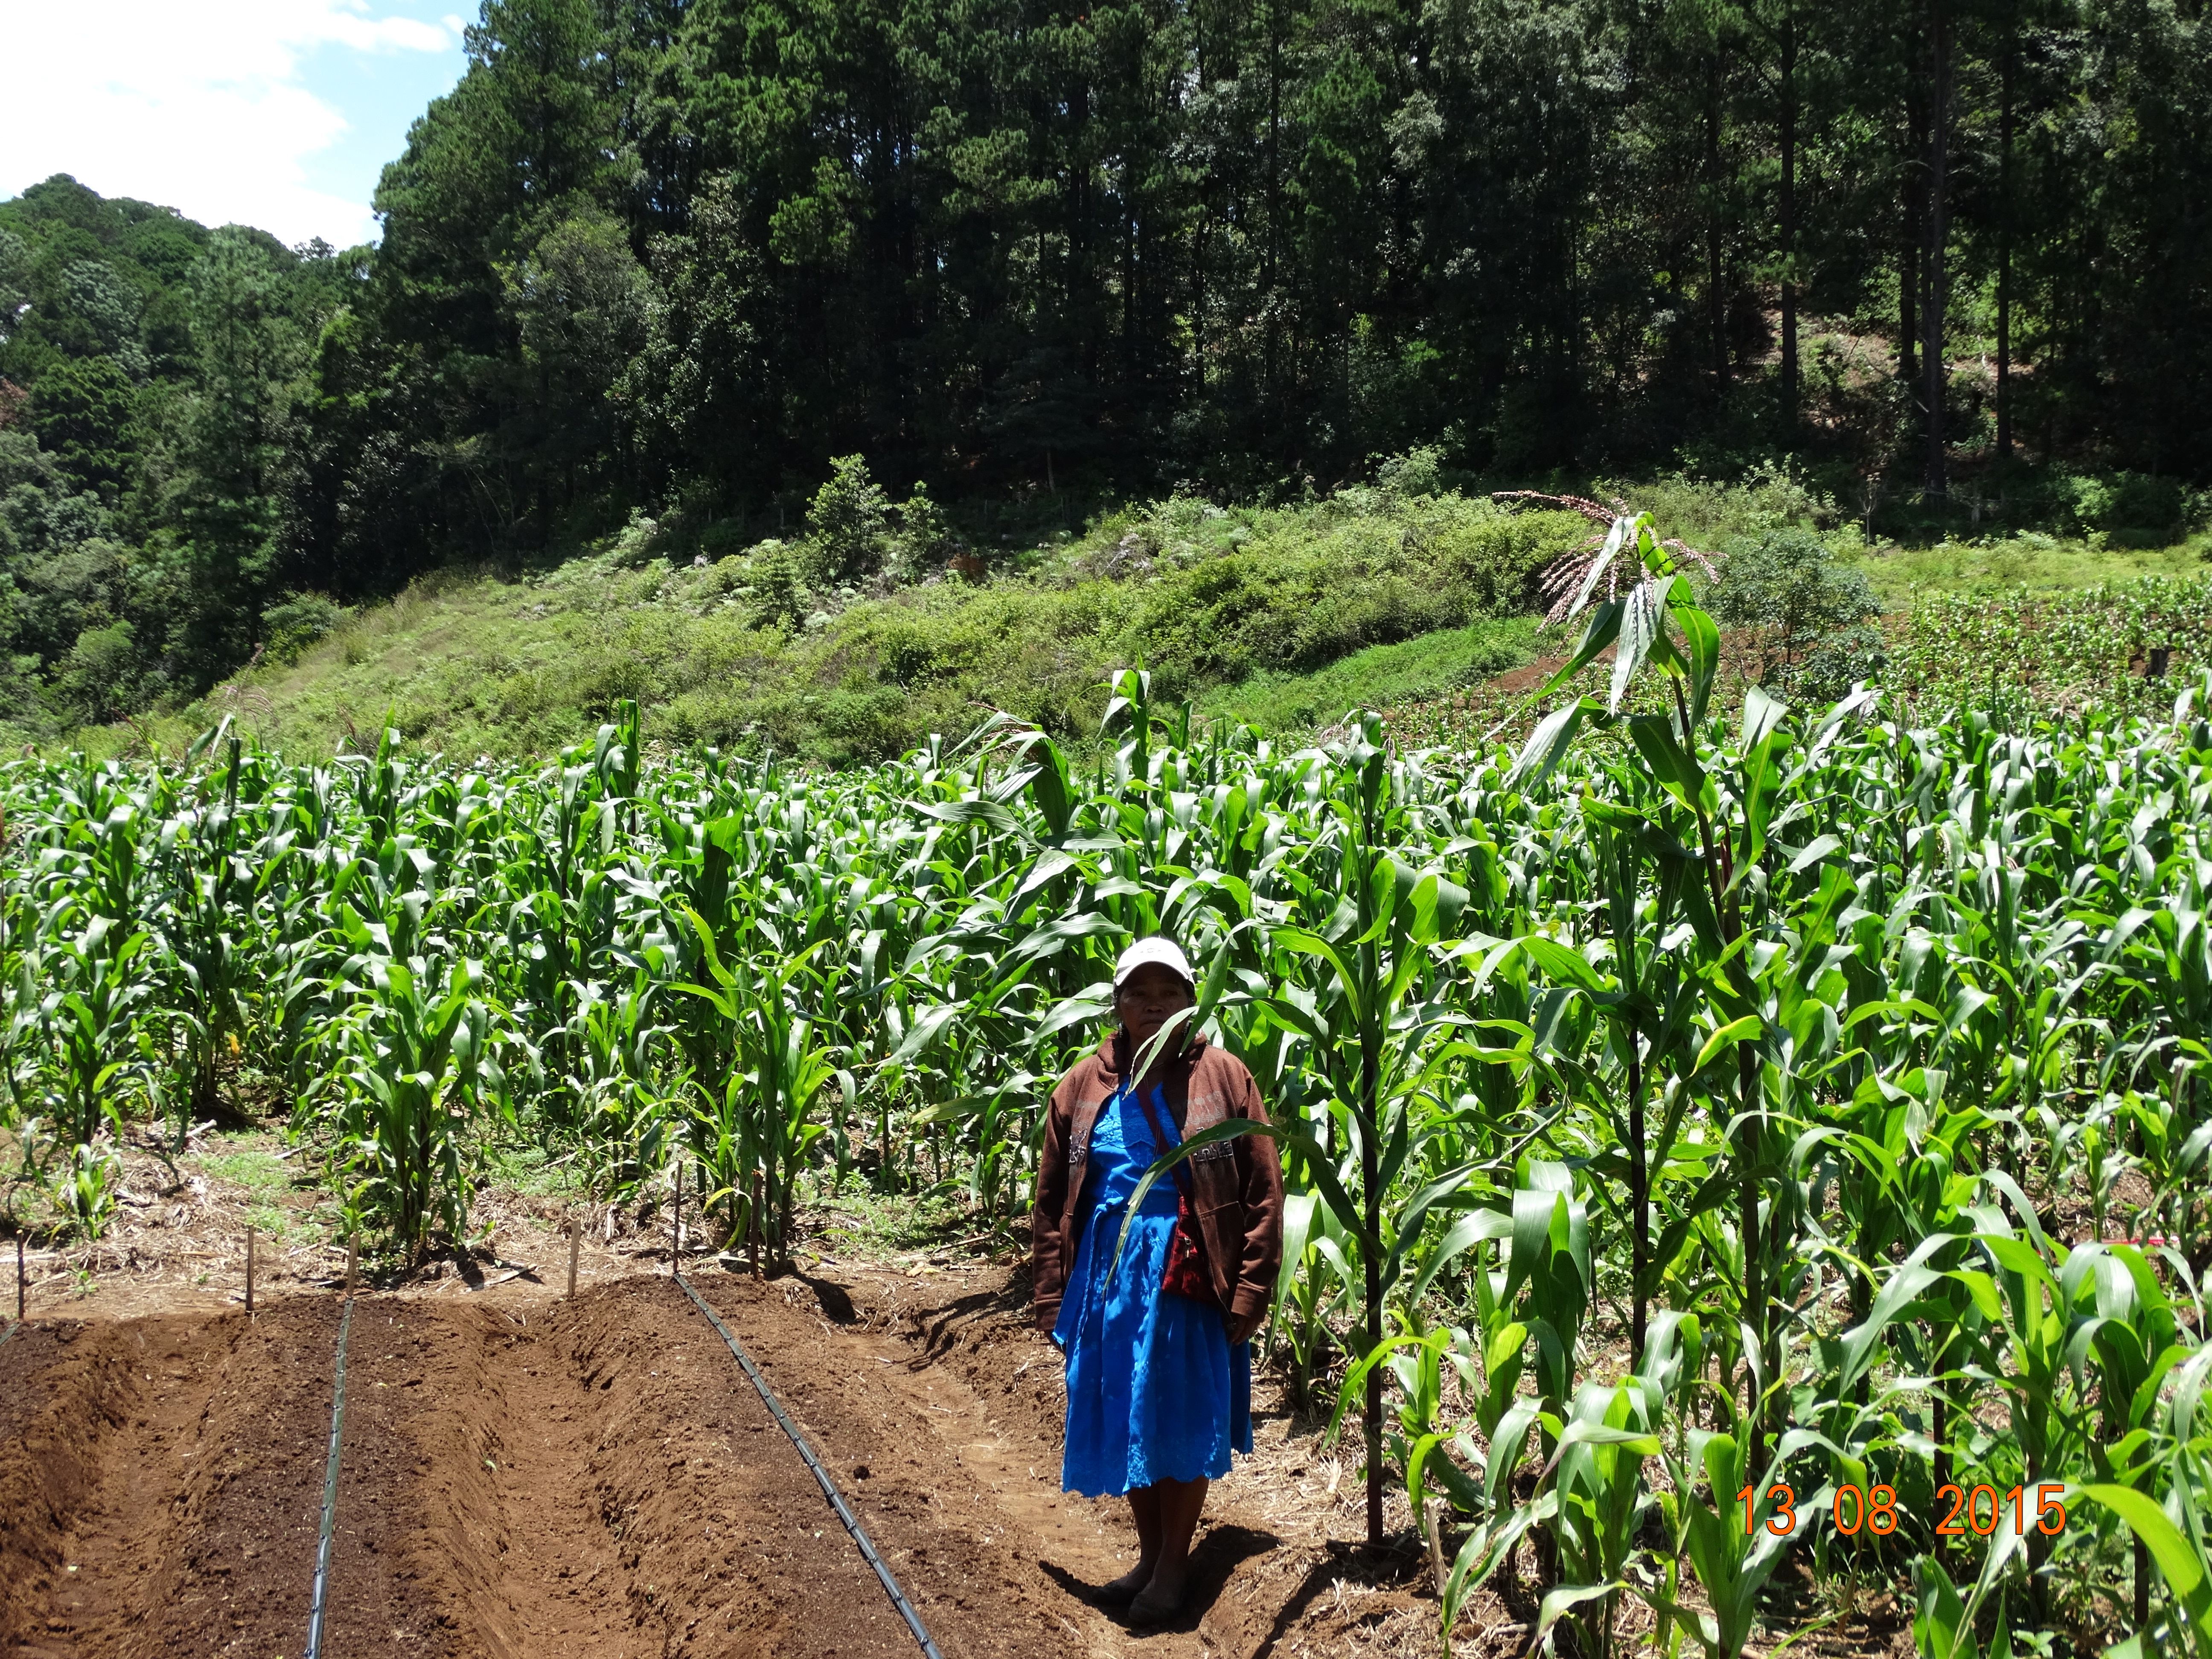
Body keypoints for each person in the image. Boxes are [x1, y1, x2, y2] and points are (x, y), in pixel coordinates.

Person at [1031, 935, 1286, 1621]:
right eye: (1138, 994)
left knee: (1179, 1412)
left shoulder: (1224, 1076)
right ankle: (1149, 1556)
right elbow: (1054, 1196)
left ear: (1189, 1001)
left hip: (1187, 1268)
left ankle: (1174, 1568)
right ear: (1115, 1004)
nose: (1153, 1006)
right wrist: (1052, 1288)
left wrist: (1253, 1285)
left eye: (1167, 993)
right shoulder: (1083, 1085)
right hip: (1106, 1277)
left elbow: (1263, 1187)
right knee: (1126, 1411)